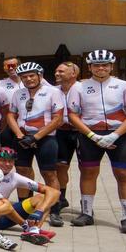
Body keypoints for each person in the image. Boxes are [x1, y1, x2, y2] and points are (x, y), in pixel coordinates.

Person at [66, 49, 126, 232]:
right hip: (89, 134)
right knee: (88, 172)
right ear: (90, 67)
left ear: (111, 66)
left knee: (123, 174)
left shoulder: (124, 85)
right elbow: (72, 115)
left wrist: (114, 135)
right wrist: (92, 136)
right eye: (97, 65)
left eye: (105, 65)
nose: (101, 68)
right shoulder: (78, 87)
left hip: (119, 134)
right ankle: (86, 213)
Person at [0, 146, 59, 245]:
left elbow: (55, 192)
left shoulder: (14, 177)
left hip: (4, 216)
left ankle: (33, 231)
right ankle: (27, 227)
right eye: (3, 160)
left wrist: (40, 210)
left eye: (11, 161)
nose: (7, 164)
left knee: (45, 198)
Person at [6, 62, 64, 199]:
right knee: (22, 171)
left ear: (40, 75)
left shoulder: (53, 92)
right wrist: (19, 135)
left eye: (32, 75)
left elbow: (58, 119)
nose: (28, 79)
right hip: (22, 137)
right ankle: (24, 206)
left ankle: (53, 207)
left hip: (45, 138)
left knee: (49, 173)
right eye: (24, 77)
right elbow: (10, 115)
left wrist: (35, 137)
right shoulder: (17, 93)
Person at [51, 61, 81, 227]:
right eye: (56, 71)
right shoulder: (53, 90)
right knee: (60, 167)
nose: (57, 74)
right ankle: (60, 199)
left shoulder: (83, 88)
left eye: (61, 71)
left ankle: (86, 206)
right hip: (61, 132)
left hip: (81, 132)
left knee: (87, 169)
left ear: (73, 73)